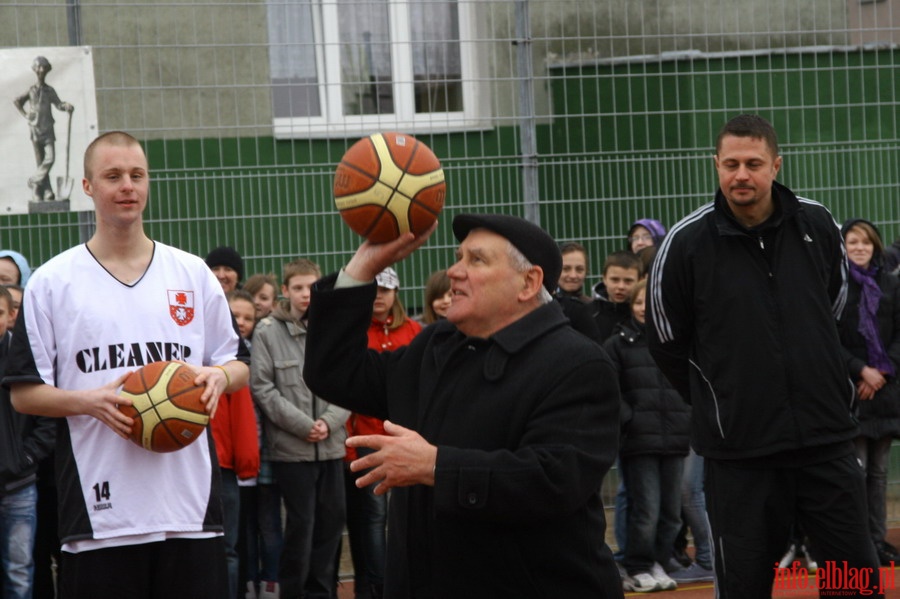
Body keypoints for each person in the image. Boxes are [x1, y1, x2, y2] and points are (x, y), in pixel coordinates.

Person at [303, 214, 623, 598]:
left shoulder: (577, 363)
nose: (454, 271)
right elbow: (334, 372)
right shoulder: (437, 346)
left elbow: (552, 480)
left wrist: (436, 466)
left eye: (476, 260)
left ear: (529, 282)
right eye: (458, 257)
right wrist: (363, 266)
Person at [2, 131, 250, 598]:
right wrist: (87, 401)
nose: (127, 186)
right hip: (100, 516)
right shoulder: (54, 282)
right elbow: (23, 392)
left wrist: (218, 375)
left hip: (189, 511)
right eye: (112, 176)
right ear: (88, 186)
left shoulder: (191, 273)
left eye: (137, 175)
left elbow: (237, 363)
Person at [646, 114, 880, 596]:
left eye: (753, 163)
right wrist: (723, 399)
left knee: (851, 582)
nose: (741, 175)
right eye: (730, 164)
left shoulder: (817, 224)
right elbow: (667, 341)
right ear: (716, 166)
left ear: (776, 165)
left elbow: (833, 308)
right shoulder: (687, 243)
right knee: (745, 586)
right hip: (741, 457)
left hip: (826, 442)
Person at [250, 258, 349, 599]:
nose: (306, 294)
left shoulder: (334, 328)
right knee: (301, 528)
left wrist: (329, 423)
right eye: (298, 288)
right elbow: (263, 387)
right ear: (285, 291)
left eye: (312, 287)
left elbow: (349, 381)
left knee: (331, 526)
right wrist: (305, 425)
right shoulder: (267, 332)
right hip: (293, 451)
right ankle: (294, 593)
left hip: (332, 446)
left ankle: (322, 593)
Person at [603, 280, 690, 592]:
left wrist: (687, 417)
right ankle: (638, 565)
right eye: (638, 302)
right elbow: (610, 390)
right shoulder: (618, 344)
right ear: (632, 305)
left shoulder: (675, 342)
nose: (643, 308)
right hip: (640, 442)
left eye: (648, 303)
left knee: (671, 514)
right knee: (647, 510)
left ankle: (659, 560)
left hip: (675, 438)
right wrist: (631, 419)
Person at [344, 267, 421, 599]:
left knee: (406, 515)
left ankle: (408, 579)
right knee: (374, 517)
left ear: (396, 293)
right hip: (367, 441)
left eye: (386, 290)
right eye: (374, 290)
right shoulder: (357, 333)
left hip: (408, 441)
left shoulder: (416, 331)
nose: (379, 296)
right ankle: (377, 586)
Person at [838, 218, 900, 567]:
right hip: (852, 393)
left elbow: (899, 335)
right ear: (843, 248)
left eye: (866, 242)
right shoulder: (837, 287)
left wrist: (882, 372)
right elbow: (830, 339)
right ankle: (856, 545)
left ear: (875, 247)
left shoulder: (891, 285)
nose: (859, 248)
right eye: (852, 242)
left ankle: (877, 542)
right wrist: (861, 371)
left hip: (886, 392)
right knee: (855, 474)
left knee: (877, 474)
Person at [0, 285, 56, 599]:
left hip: (18, 485)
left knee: (19, 573)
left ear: (11, 316)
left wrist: (25, 458)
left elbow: (47, 418)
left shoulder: (23, 359)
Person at [212, 290, 260, 599]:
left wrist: (246, 465)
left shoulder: (228, 360)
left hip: (223, 468)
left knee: (225, 548)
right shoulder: (226, 359)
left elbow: (242, 417)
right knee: (225, 549)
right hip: (221, 468)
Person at [13, 56, 74, 203]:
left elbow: (58, 104)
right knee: (40, 163)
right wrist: (26, 114)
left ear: (47, 70)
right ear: (35, 70)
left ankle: (34, 180)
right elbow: (17, 101)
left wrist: (66, 106)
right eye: (38, 67)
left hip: (48, 130)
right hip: (35, 130)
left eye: (43, 67)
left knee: (50, 158)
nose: (41, 70)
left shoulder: (49, 91)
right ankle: (44, 192)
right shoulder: (32, 90)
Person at [591, 250, 642, 340]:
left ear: (639, 281)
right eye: (615, 280)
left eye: (628, 281)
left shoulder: (642, 315)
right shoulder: (590, 313)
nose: (621, 286)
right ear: (604, 279)